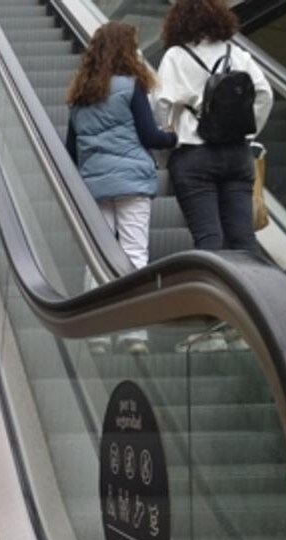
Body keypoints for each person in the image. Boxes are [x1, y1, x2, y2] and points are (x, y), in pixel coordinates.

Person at [65, 21, 177, 354]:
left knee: (97, 254)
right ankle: (133, 332)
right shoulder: (131, 87)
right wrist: (171, 135)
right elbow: (150, 137)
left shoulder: (79, 97)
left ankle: (97, 333)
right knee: (134, 251)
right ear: (127, 51)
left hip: (94, 184)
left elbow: (70, 150)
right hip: (131, 181)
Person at [152, 0, 273, 254]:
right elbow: (264, 94)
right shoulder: (236, 53)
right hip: (237, 154)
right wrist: (248, 132)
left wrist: (165, 151)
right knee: (243, 238)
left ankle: (212, 292)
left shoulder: (176, 56)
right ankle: (248, 290)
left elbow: (160, 105)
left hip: (194, 156)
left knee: (209, 238)